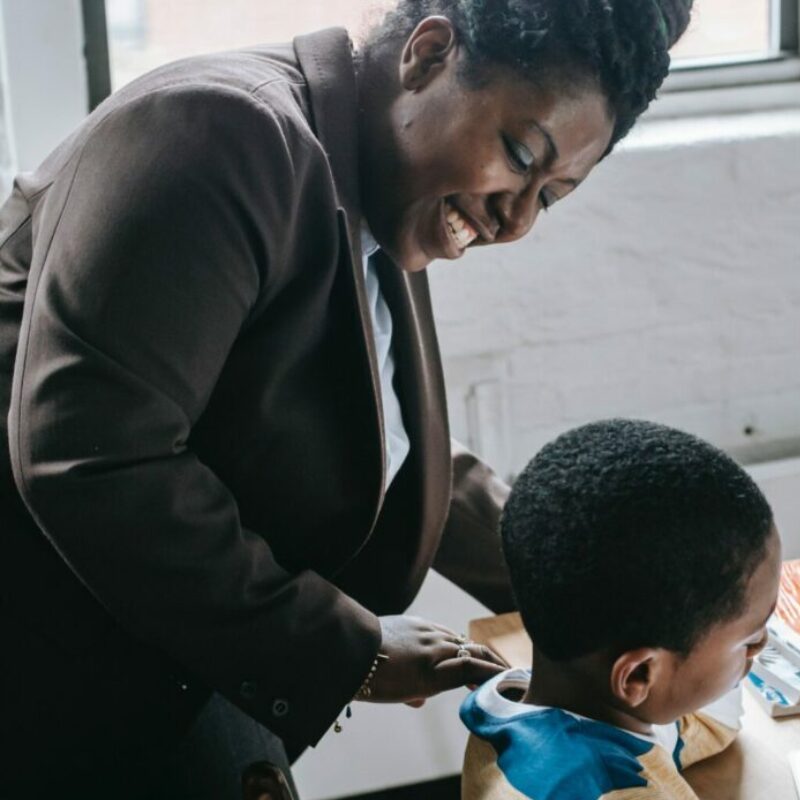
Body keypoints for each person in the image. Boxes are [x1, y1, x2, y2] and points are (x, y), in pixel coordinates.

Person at [0, 1, 693, 797]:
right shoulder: (220, 136)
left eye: (552, 195)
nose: (515, 220)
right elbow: (94, 459)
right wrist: (346, 649)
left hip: (168, 659)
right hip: (48, 683)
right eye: (516, 155)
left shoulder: (376, 189)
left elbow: (378, 438)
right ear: (428, 54)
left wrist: (589, 595)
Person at [460, 419, 782, 799]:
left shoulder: (512, 706)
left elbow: (699, 727)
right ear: (637, 675)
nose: (761, 647)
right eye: (751, 640)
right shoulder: (618, 789)